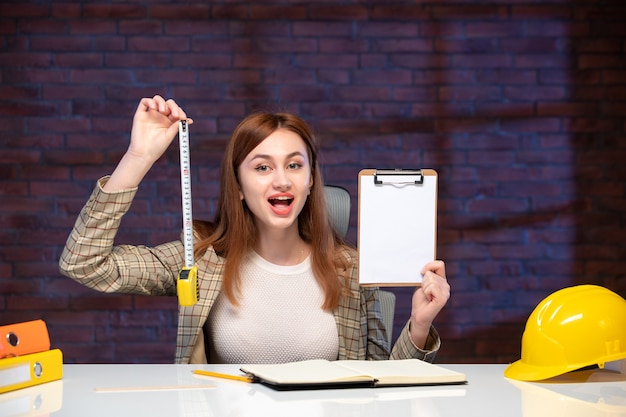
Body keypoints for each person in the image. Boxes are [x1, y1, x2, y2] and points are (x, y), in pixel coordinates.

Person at [59, 95, 451, 364]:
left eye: (295, 165)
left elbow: (382, 390)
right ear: (240, 187)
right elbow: (84, 263)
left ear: (311, 180)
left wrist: (419, 325)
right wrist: (138, 156)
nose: (281, 180)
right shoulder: (201, 257)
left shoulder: (351, 269)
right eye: (262, 167)